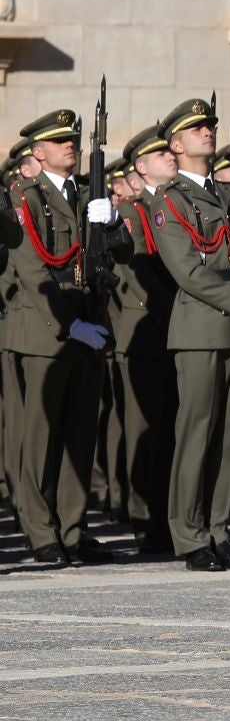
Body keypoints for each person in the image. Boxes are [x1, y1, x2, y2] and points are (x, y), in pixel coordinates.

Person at [152, 97, 230, 572]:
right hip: (202, 329)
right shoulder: (169, 201)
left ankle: (219, 532)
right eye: (196, 128)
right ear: (176, 145)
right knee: (196, 434)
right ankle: (189, 535)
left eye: (210, 126)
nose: (208, 132)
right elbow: (188, 273)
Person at [3, 108, 122, 567]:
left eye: (73, 138)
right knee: (40, 436)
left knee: (78, 435)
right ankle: (39, 531)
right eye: (59, 140)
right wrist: (68, 324)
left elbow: (115, 257)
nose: (69, 144)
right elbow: (32, 268)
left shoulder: (89, 194)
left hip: (89, 324)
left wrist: (109, 224)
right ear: (37, 152)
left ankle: (72, 529)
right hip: (43, 328)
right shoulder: (24, 196)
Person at [114, 124, 179, 554]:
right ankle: (144, 523)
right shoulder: (133, 213)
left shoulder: (177, 205)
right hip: (148, 330)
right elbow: (138, 275)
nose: (171, 157)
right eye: (161, 155)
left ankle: (168, 519)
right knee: (146, 432)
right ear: (141, 167)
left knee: (172, 432)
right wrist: (177, 313)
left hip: (178, 329)